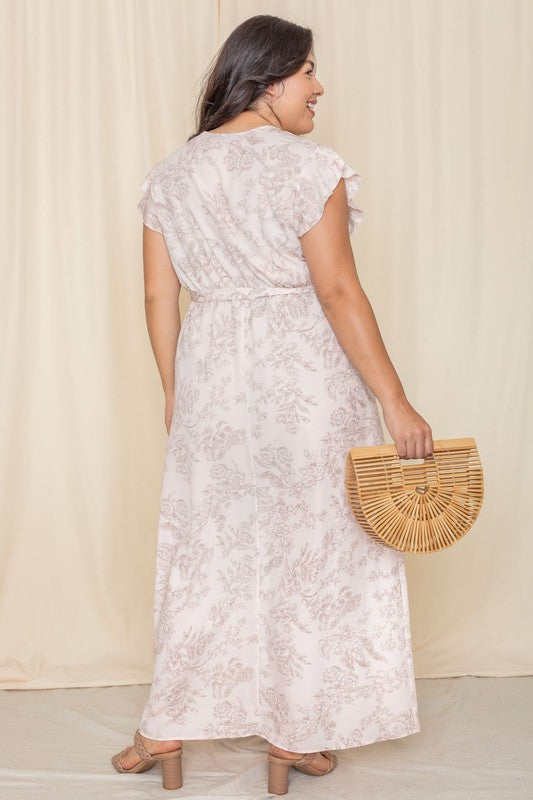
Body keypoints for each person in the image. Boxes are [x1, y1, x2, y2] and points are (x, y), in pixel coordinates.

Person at [111, 13, 433, 796]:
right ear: (269, 78)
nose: (319, 88)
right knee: (310, 550)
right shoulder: (306, 167)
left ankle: (166, 730)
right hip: (305, 382)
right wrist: (395, 402)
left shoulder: (172, 173)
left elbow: (160, 297)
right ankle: (293, 740)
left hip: (213, 377)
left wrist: (174, 393)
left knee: (207, 551)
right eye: (309, 72)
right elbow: (336, 289)